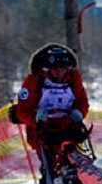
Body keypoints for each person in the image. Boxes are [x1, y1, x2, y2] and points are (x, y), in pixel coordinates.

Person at [15, 42, 90, 171]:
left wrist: (79, 113)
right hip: (43, 131)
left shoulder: (73, 79)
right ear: (47, 69)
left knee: (75, 161)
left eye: (63, 69)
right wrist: (35, 118)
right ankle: (50, 183)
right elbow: (22, 110)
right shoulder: (34, 81)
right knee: (49, 166)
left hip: (68, 129)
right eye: (55, 69)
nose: (59, 73)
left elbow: (82, 102)